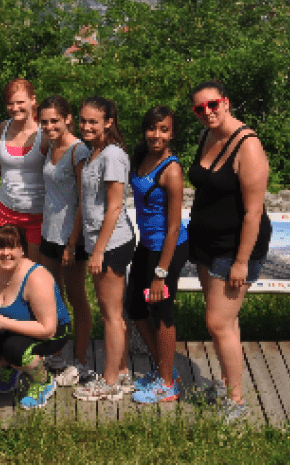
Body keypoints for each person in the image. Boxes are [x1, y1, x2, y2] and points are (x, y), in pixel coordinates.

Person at [188, 80, 270, 423]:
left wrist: (241, 262)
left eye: (213, 104)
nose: (207, 112)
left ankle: (236, 400)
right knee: (227, 324)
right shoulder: (207, 135)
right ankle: (226, 385)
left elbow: (253, 211)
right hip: (206, 243)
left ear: (226, 102)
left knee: (217, 323)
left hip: (235, 248)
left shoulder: (248, 145)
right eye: (200, 108)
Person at [71, 96, 136, 402]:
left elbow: (114, 207)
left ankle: (110, 381)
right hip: (97, 240)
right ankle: (122, 372)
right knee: (112, 312)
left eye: (93, 122)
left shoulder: (113, 155)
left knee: (111, 315)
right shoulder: (91, 152)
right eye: (83, 120)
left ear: (108, 123)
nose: (86, 126)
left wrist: (98, 250)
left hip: (111, 242)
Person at [0, 224, 71, 410]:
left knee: (15, 350)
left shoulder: (36, 277)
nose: (6, 253)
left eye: (12, 247)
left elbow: (48, 329)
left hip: (52, 331)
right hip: (4, 327)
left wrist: (3, 322)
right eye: (1, 247)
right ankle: (13, 367)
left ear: (22, 249)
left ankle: (43, 381)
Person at [127, 106, 189, 404]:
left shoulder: (171, 170)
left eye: (164, 129)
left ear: (172, 133)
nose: (157, 135)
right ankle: (163, 368)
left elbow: (174, 227)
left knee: (161, 312)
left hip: (169, 249)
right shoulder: (142, 156)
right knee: (136, 308)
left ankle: (167, 384)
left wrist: (160, 274)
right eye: (152, 128)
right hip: (147, 245)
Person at [35, 95, 93, 385]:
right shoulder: (50, 145)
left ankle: (80, 359)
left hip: (71, 237)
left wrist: (72, 242)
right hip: (49, 232)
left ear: (68, 119)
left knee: (75, 296)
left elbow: (84, 200)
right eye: (44, 122)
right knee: (51, 295)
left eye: (55, 121)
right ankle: (56, 353)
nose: (49, 127)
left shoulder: (78, 151)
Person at [0, 79, 46, 262]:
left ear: (33, 100)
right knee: (7, 265)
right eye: (10, 103)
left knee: (32, 269)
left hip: (37, 215)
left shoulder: (45, 132)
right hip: (6, 211)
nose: (15, 108)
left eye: (20, 102)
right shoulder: (3, 128)